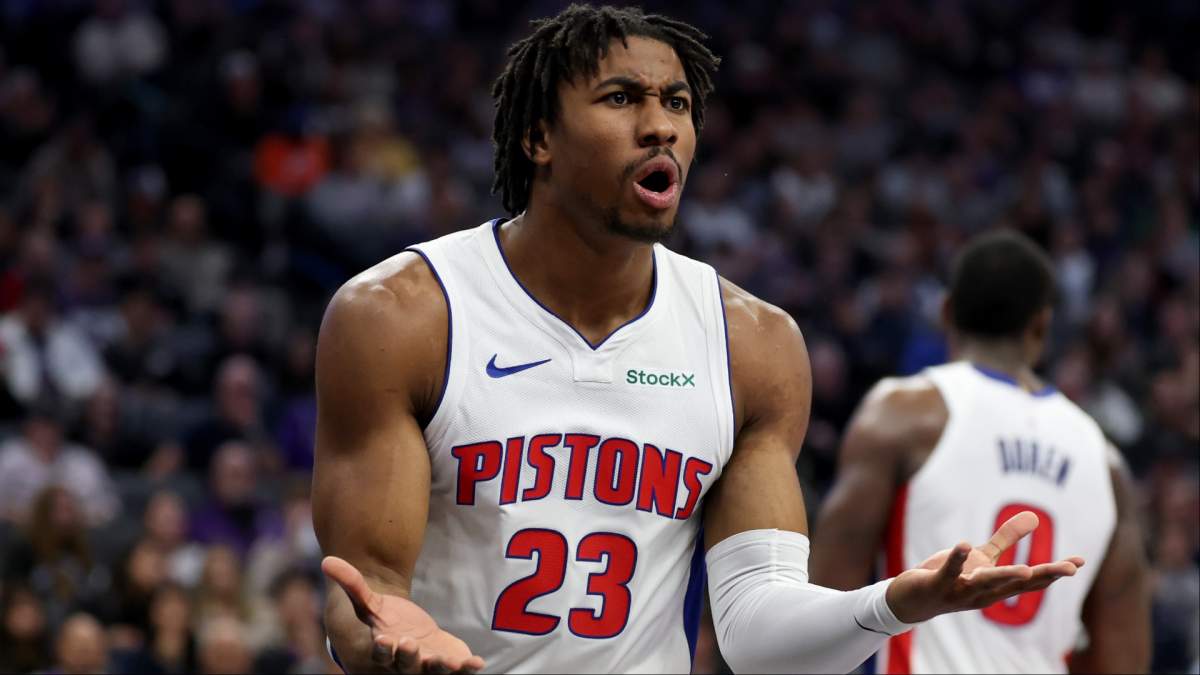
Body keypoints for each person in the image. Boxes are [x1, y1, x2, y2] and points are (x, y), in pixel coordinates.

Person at [313, 5, 1085, 673]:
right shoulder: (403, 316)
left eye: (677, 103)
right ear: (539, 137)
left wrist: (888, 604)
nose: (661, 126)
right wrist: (388, 638)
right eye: (622, 98)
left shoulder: (753, 344)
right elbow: (365, 590)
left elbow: (755, 630)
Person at [811, 230, 1151, 673]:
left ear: (946, 312)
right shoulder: (1106, 463)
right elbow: (1122, 660)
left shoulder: (905, 415)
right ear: (1041, 326)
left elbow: (824, 605)